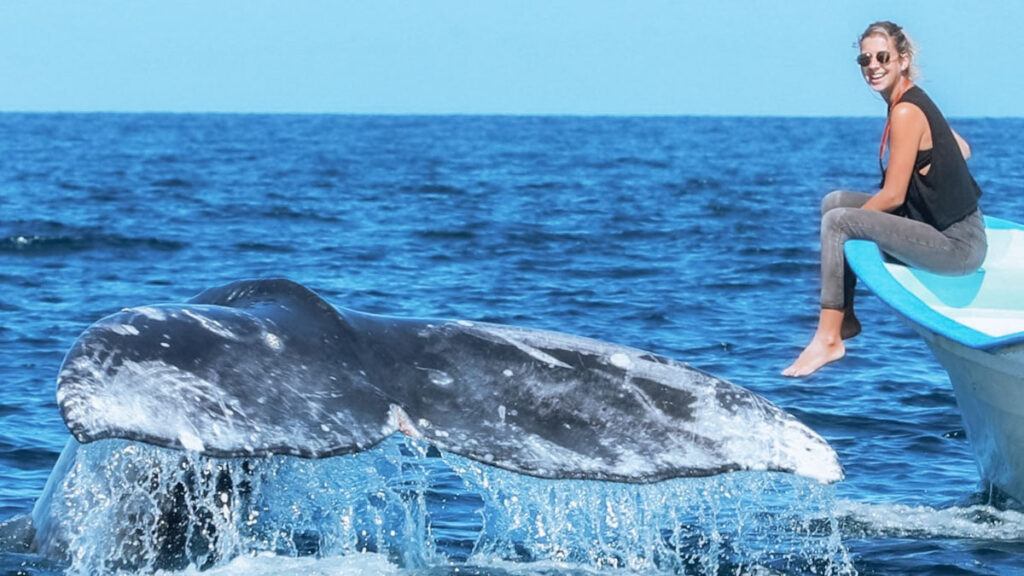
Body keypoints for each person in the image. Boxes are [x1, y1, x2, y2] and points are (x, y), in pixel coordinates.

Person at [782, 21, 987, 377]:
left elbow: (892, 196)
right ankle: (845, 318)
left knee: (838, 220)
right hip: (948, 229)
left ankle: (828, 338)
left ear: (902, 60)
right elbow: (964, 150)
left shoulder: (906, 110)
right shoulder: (912, 99)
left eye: (882, 57)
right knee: (835, 201)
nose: (873, 66)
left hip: (957, 246)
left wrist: (847, 231)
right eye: (864, 60)